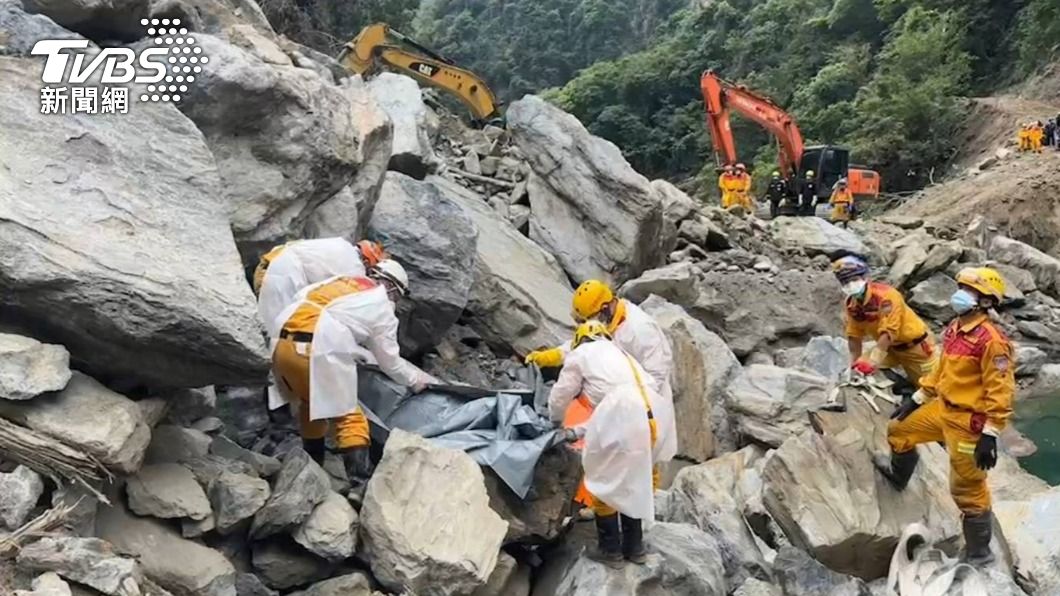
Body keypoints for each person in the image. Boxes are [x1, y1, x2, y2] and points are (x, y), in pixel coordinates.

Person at [876, 267, 1014, 567]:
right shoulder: (955, 328)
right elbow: (940, 371)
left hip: (968, 422)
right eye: (962, 287)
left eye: (971, 291)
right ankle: (899, 477)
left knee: (966, 488)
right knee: (899, 429)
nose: (961, 294)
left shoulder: (992, 341)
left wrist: (990, 434)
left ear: (987, 302)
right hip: (943, 408)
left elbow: (1000, 390)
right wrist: (916, 399)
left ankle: (980, 553)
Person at [269, 259, 436, 479]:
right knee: (349, 414)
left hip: (280, 343)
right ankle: (358, 481)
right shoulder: (382, 305)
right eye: (396, 296)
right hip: (315, 345)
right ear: (392, 287)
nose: (394, 301)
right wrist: (415, 380)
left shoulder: (340, 282)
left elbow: (324, 311)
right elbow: (389, 361)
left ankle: (312, 465)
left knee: (312, 405)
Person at [547, 320, 675, 567]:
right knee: (633, 480)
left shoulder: (581, 354)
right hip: (654, 416)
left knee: (605, 480)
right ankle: (635, 548)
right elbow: (615, 407)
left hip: (624, 418)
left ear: (579, 340)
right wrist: (578, 431)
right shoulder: (621, 354)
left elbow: (561, 395)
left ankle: (611, 551)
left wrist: (554, 421)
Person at [834, 256, 937, 387]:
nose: (850, 285)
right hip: (889, 349)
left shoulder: (887, 296)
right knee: (859, 371)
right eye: (845, 282)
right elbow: (854, 335)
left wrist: (873, 361)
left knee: (930, 389)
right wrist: (853, 364)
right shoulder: (852, 304)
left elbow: (889, 332)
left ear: (865, 278)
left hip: (915, 349)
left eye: (854, 279)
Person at [254, 238, 387, 335]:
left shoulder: (341, 243)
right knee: (273, 334)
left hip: (270, 262)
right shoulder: (355, 268)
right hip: (282, 277)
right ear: (366, 261)